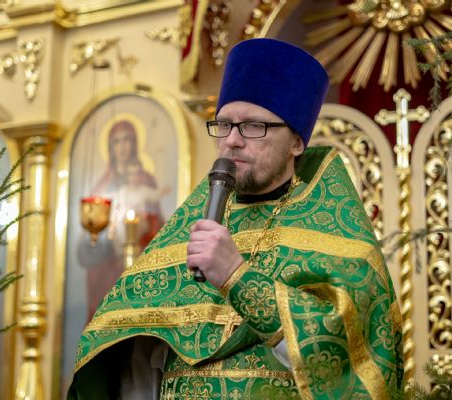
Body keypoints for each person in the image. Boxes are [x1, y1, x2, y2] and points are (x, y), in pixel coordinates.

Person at [68, 38, 403, 399]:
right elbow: (136, 359)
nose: (232, 141)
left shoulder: (333, 228)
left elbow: (349, 358)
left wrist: (236, 276)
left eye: (253, 126)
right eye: (224, 125)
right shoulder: (187, 226)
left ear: (296, 142)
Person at [77, 120, 164, 322]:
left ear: (134, 144)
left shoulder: (146, 181)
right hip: (107, 266)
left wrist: (146, 228)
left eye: (127, 140)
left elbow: (158, 222)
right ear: (110, 147)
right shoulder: (102, 185)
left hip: (139, 260)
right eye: (116, 141)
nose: (122, 146)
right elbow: (92, 231)